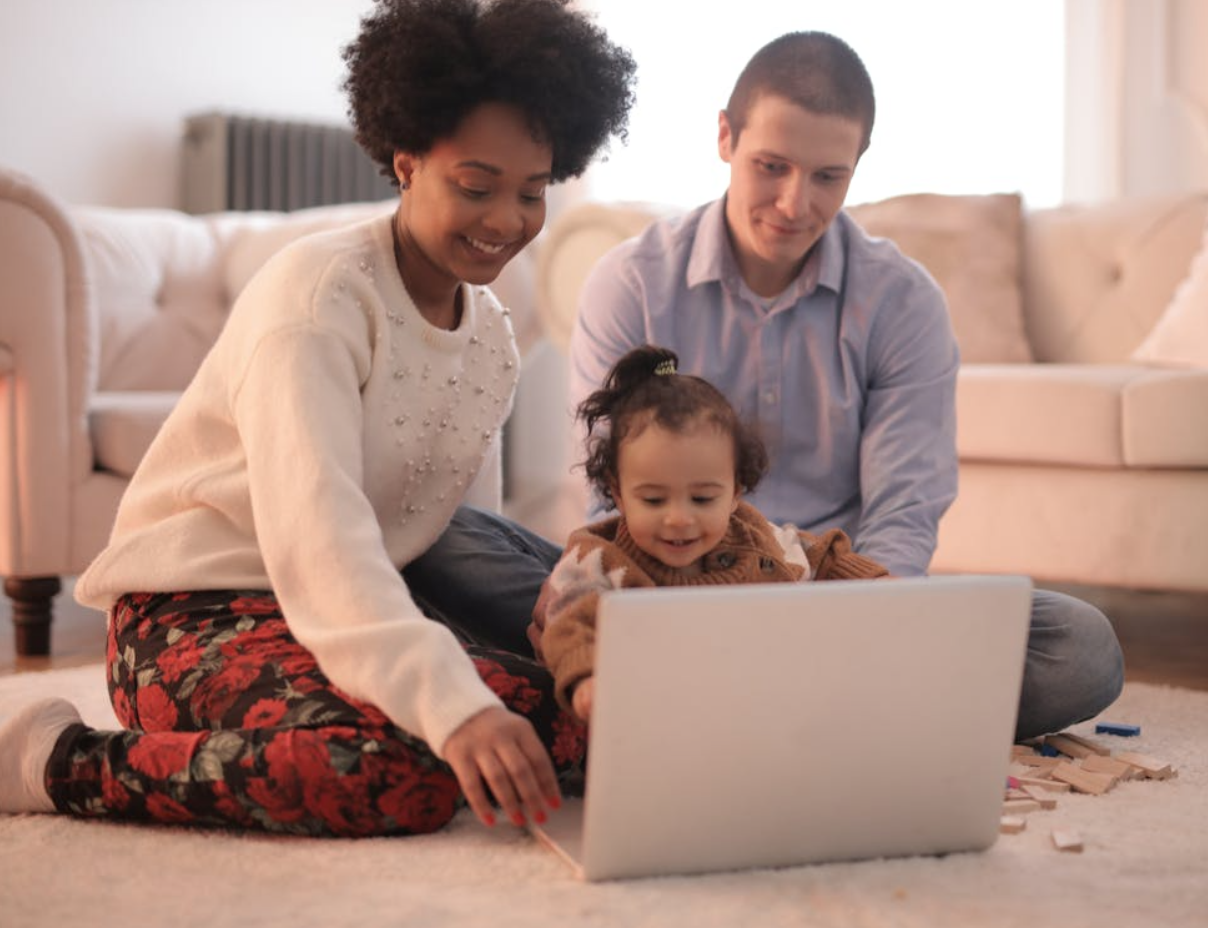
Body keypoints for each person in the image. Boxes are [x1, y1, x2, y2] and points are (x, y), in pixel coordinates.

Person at [0, 0, 636, 836]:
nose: (507, 222)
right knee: (389, 774)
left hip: (355, 607)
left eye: (532, 192)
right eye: (476, 186)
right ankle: (58, 757)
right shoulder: (318, 295)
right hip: (191, 614)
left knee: (596, 724)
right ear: (406, 159)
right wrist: (453, 706)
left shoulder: (492, 341)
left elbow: (443, 535)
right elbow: (319, 536)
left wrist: (552, 636)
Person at [408, 30, 1124, 741]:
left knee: (1080, 649)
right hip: (655, 584)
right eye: (771, 166)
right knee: (437, 535)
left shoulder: (903, 302)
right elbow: (609, 490)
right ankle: (821, 714)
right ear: (725, 137)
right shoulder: (632, 283)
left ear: (857, 166)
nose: (793, 204)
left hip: (829, 600)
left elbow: (905, 511)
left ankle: (672, 703)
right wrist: (617, 606)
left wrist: (852, 622)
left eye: (826, 177)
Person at [530, 345, 889, 720]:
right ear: (618, 492)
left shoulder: (753, 537)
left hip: (756, 705)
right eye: (653, 500)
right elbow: (568, 621)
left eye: (702, 499)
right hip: (650, 713)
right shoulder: (595, 558)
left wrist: (878, 583)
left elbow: (819, 555)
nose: (679, 519)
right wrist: (588, 677)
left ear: (735, 492)